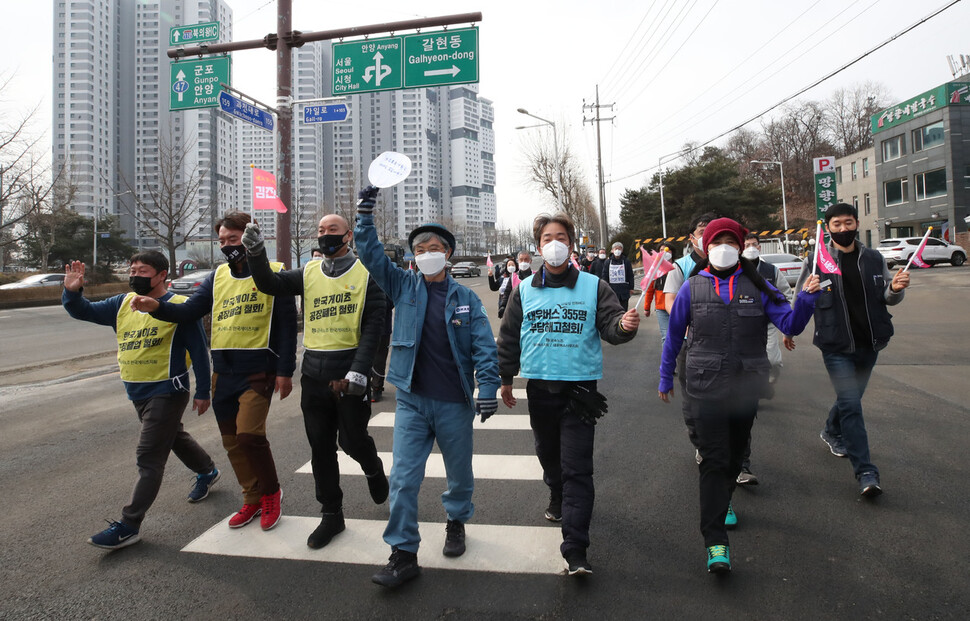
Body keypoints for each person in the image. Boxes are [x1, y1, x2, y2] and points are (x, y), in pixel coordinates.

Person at [354, 186, 500, 589]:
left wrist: (487, 386)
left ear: (447, 254)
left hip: (454, 402)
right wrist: (364, 214)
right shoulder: (403, 285)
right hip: (412, 402)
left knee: (459, 475)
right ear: (413, 255)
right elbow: (370, 253)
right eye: (420, 247)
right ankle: (403, 553)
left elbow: (485, 348)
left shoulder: (467, 299)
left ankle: (456, 520)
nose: (427, 251)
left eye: (435, 246)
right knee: (403, 478)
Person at [657, 217, 821, 574]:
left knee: (733, 458)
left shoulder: (758, 285)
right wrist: (665, 376)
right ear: (707, 248)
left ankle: (723, 500)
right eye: (717, 242)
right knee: (715, 460)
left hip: (746, 387)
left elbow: (791, 325)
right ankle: (715, 540)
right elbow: (673, 336)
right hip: (704, 387)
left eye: (732, 241)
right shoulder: (692, 286)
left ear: (742, 245)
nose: (725, 247)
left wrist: (806, 297)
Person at [130, 212, 296, 532]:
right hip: (224, 371)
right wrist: (159, 306)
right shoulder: (218, 276)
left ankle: (272, 493)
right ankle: (252, 498)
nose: (227, 246)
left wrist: (285, 370)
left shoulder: (276, 273)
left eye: (233, 240)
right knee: (232, 441)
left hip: (258, 370)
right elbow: (191, 309)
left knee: (250, 435)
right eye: (222, 241)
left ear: (250, 238)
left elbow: (288, 327)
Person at [497, 212, 640, 577]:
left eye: (561, 236)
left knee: (578, 470)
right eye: (547, 238)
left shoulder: (594, 286)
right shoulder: (524, 289)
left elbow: (611, 325)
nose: (554, 243)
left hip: (580, 392)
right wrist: (506, 378)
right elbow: (510, 337)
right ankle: (555, 492)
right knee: (549, 456)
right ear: (539, 245)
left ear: (572, 244)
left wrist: (623, 327)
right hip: (540, 392)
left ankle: (575, 548)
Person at [240, 214, 390, 549]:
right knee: (321, 448)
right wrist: (255, 252)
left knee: (352, 441)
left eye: (332, 230)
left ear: (348, 236)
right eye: (321, 231)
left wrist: (359, 371)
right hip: (314, 375)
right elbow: (268, 283)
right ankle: (332, 514)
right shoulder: (309, 271)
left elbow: (374, 328)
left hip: (348, 373)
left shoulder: (368, 275)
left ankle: (373, 467)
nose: (325, 235)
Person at [62, 252, 218, 550]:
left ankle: (129, 524)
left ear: (161, 275)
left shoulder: (178, 307)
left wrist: (202, 391)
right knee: (173, 438)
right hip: (137, 391)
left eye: (143, 270)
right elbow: (84, 310)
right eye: (132, 270)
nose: (135, 275)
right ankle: (207, 470)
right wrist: (72, 291)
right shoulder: (121, 303)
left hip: (168, 391)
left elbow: (199, 349)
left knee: (149, 456)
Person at [791, 203, 909, 497]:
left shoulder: (872, 258)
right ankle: (866, 472)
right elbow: (800, 296)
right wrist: (790, 326)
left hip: (870, 343)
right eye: (836, 224)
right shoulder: (816, 259)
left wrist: (895, 288)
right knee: (852, 406)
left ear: (857, 223)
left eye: (848, 222)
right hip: (835, 345)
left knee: (850, 399)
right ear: (827, 228)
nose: (843, 229)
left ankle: (831, 430)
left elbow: (887, 297)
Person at [735, 233, 793, 486]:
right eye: (746, 245)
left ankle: (765, 382)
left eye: (753, 245)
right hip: (741, 329)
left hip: (767, 324)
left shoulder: (770, 271)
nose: (750, 248)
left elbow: (785, 295)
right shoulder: (732, 269)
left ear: (760, 248)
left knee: (773, 360)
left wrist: (787, 323)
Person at [663, 212, 716, 462]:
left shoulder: (734, 264)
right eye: (702, 230)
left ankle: (741, 460)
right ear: (691, 237)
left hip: (726, 343)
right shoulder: (681, 267)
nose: (706, 235)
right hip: (691, 343)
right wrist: (692, 318)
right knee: (694, 399)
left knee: (735, 401)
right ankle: (701, 443)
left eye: (712, 229)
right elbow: (670, 300)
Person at [644, 242, 674, 344]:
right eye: (661, 250)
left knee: (678, 335)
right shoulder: (656, 269)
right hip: (661, 308)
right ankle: (667, 360)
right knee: (666, 337)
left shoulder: (677, 267)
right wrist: (646, 308)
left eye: (667, 249)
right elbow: (649, 290)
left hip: (676, 306)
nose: (664, 252)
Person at [598, 241, 635, 310]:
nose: (617, 251)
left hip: (624, 290)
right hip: (612, 290)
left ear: (622, 250)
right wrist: (605, 288)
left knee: (623, 309)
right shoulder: (608, 262)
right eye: (616, 249)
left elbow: (630, 275)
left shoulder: (626, 261)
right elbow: (605, 275)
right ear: (612, 250)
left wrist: (631, 287)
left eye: (619, 249)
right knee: (613, 309)